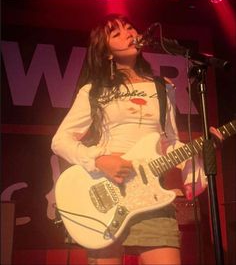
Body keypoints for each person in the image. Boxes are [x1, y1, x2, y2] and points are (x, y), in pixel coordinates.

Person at [51, 14, 223, 265]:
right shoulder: (94, 90)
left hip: (151, 194)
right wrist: (98, 160)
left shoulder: (163, 88)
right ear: (107, 52)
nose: (129, 34)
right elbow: (60, 140)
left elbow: (170, 141)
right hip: (106, 190)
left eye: (130, 28)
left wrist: (198, 154)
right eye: (117, 33)